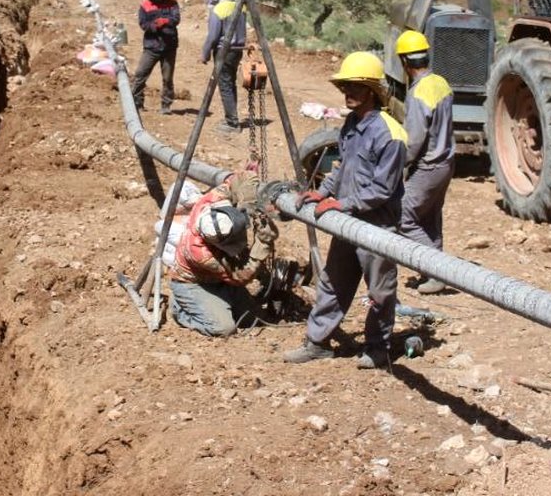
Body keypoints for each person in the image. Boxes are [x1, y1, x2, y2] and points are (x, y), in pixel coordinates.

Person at [284, 51, 407, 369]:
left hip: (376, 227)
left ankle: (378, 349)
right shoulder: (351, 123)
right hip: (349, 220)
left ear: (371, 91)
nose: (346, 92)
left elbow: (383, 189)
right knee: (333, 282)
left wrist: (342, 203)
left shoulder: (390, 135)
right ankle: (318, 342)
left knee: (380, 291)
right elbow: (342, 168)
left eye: (354, 86)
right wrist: (322, 192)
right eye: (345, 86)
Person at [168, 182, 276, 337]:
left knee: (251, 318)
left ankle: (219, 303)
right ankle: (180, 309)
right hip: (194, 284)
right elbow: (240, 277)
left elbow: (237, 179)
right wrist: (263, 244)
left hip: (219, 280)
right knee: (224, 328)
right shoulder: (201, 254)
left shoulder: (208, 203)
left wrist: (253, 199)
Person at [394, 30, 455, 295]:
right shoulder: (442, 83)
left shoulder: (417, 94)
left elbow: (414, 140)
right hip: (446, 164)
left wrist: (397, 164)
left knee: (404, 218)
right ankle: (432, 275)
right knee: (430, 218)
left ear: (405, 63)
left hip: (428, 166)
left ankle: (437, 270)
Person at [201, 0, 246, 133]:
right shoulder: (241, 7)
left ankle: (232, 123)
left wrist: (204, 53)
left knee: (225, 85)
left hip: (224, 51)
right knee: (230, 82)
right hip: (237, 50)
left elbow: (213, 36)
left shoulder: (219, 10)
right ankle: (232, 117)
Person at [132, 0, 180, 115]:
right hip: (152, 46)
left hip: (169, 46)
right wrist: (155, 26)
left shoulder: (172, 4)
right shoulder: (145, 6)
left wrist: (166, 21)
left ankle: (166, 105)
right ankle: (137, 103)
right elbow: (143, 24)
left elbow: (176, 19)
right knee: (140, 74)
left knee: (167, 77)